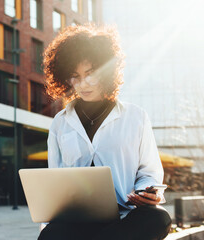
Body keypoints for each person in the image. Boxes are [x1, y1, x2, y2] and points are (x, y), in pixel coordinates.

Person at [38, 24, 172, 240]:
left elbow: (149, 170)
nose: (84, 83)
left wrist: (146, 192)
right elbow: (57, 180)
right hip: (78, 220)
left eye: (91, 74)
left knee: (159, 219)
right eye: (75, 76)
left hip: (126, 217)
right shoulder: (60, 124)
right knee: (50, 235)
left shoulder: (136, 117)